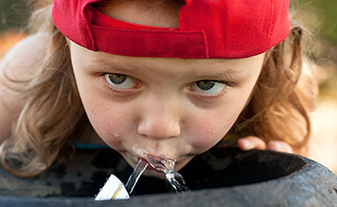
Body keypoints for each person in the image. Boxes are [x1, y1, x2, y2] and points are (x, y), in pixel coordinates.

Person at [0, 0, 317, 179]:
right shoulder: (27, 79)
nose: (160, 127)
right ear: (67, 49)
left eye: (207, 84)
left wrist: (281, 176)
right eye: (118, 78)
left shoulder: (281, 86)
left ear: (265, 65)